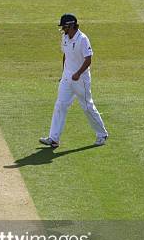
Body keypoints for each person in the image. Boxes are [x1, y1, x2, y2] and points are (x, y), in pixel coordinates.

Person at [39, 13, 108, 148]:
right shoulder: (65, 38)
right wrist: (64, 73)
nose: (62, 29)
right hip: (67, 78)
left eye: (64, 26)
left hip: (80, 79)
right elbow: (66, 55)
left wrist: (77, 73)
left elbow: (88, 60)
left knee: (87, 106)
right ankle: (54, 139)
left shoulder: (82, 39)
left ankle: (102, 134)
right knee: (60, 105)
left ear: (71, 25)